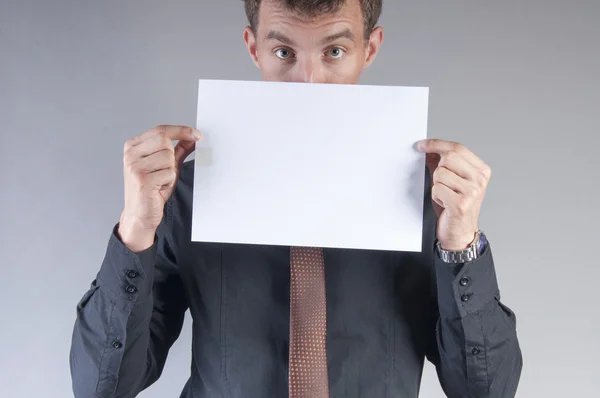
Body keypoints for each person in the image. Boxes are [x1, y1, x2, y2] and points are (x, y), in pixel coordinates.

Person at [69, 0, 523, 397]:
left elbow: (485, 391)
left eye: (335, 52)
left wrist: (461, 243)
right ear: (254, 48)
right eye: (284, 52)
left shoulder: (432, 203)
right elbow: (101, 387)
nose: (309, 81)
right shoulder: (185, 197)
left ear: (370, 48)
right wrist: (135, 229)